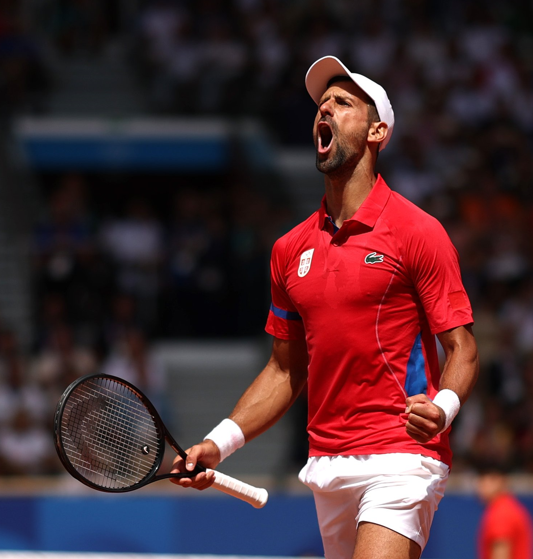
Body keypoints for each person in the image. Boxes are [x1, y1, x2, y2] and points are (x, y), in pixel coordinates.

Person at [170, 55, 479, 559]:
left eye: (343, 103)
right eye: (322, 104)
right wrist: (217, 444)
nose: (325, 110)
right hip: (328, 460)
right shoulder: (289, 250)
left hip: (401, 454)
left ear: (377, 131)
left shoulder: (418, 232)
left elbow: (462, 348)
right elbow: (284, 368)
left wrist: (443, 409)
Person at [476, 467, 533, 559]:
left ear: (501, 481)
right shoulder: (512, 507)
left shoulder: (501, 513)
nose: (480, 487)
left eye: (485, 480)